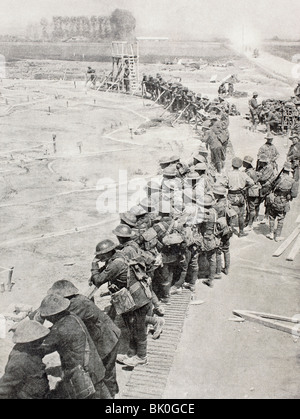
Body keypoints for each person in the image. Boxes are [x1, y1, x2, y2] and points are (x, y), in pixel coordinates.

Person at [47, 280, 121, 399]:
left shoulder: (75, 305)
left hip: (107, 339)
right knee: (107, 370)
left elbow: (62, 324)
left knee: (104, 372)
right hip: (107, 335)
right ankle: (113, 393)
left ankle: (111, 396)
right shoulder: (78, 299)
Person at [89, 240, 152, 368]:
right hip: (134, 296)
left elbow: (98, 280)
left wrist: (94, 267)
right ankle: (131, 354)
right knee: (132, 327)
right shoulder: (119, 255)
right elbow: (107, 269)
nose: (99, 258)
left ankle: (142, 357)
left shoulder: (115, 264)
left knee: (139, 328)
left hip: (138, 300)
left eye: (100, 255)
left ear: (107, 253)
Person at [39, 295, 110, 399]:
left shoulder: (60, 330)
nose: (47, 319)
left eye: (47, 317)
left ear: (54, 315)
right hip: (95, 368)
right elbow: (55, 330)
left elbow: (43, 348)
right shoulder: (72, 316)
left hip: (85, 376)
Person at [0, 320, 50, 399]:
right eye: (39, 339)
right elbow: (4, 388)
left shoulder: (29, 348)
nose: (42, 340)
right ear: (31, 341)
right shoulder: (20, 361)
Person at [266, 162, 298, 242]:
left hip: (273, 199)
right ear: (290, 171)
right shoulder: (292, 181)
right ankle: (277, 236)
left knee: (272, 216)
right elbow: (294, 195)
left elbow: (269, 186)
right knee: (281, 218)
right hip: (283, 201)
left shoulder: (277, 178)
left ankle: (271, 233)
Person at [227, 157, 254, 237]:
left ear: (232, 165)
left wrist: (228, 187)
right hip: (240, 195)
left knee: (229, 213)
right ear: (240, 165)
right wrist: (245, 187)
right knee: (241, 214)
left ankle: (229, 231)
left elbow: (223, 183)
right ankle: (241, 232)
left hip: (231, 195)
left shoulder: (229, 174)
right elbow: (252, 182)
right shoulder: (243, 174)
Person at [242, 155, 260, 231]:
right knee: (250, 207)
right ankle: (249, 221)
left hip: (251, 192)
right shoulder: (252, 170)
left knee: (251, 208)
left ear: (247, 163)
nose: (243, 163)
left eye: (244, 162)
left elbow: (247, 183)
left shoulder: (249, 172)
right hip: (253, 191)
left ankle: (250, 224)